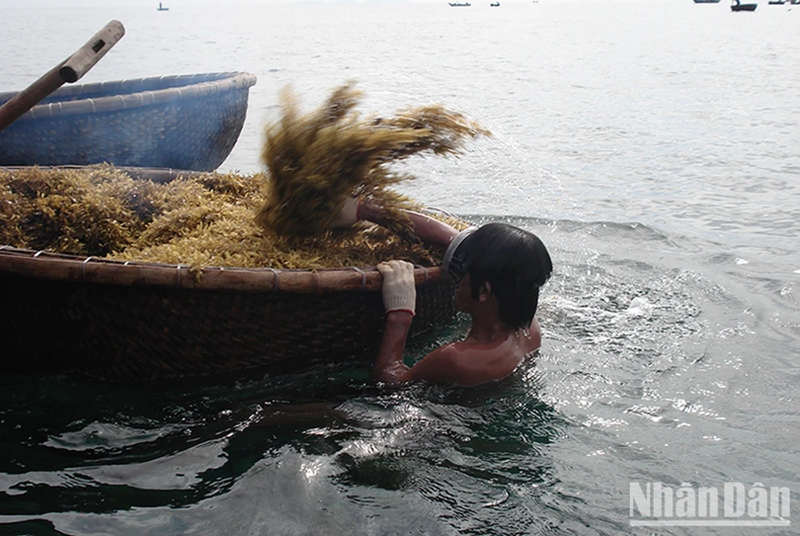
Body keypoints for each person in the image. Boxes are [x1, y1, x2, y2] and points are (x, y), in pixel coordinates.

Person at [333, 198, 553, 387]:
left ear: (484, 291)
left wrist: (400, 314)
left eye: (463, 271)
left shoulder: (456, 358)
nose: (456, 277)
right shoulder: (529, 329)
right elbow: (452, 240)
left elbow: (389, 383)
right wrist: (363, 210)